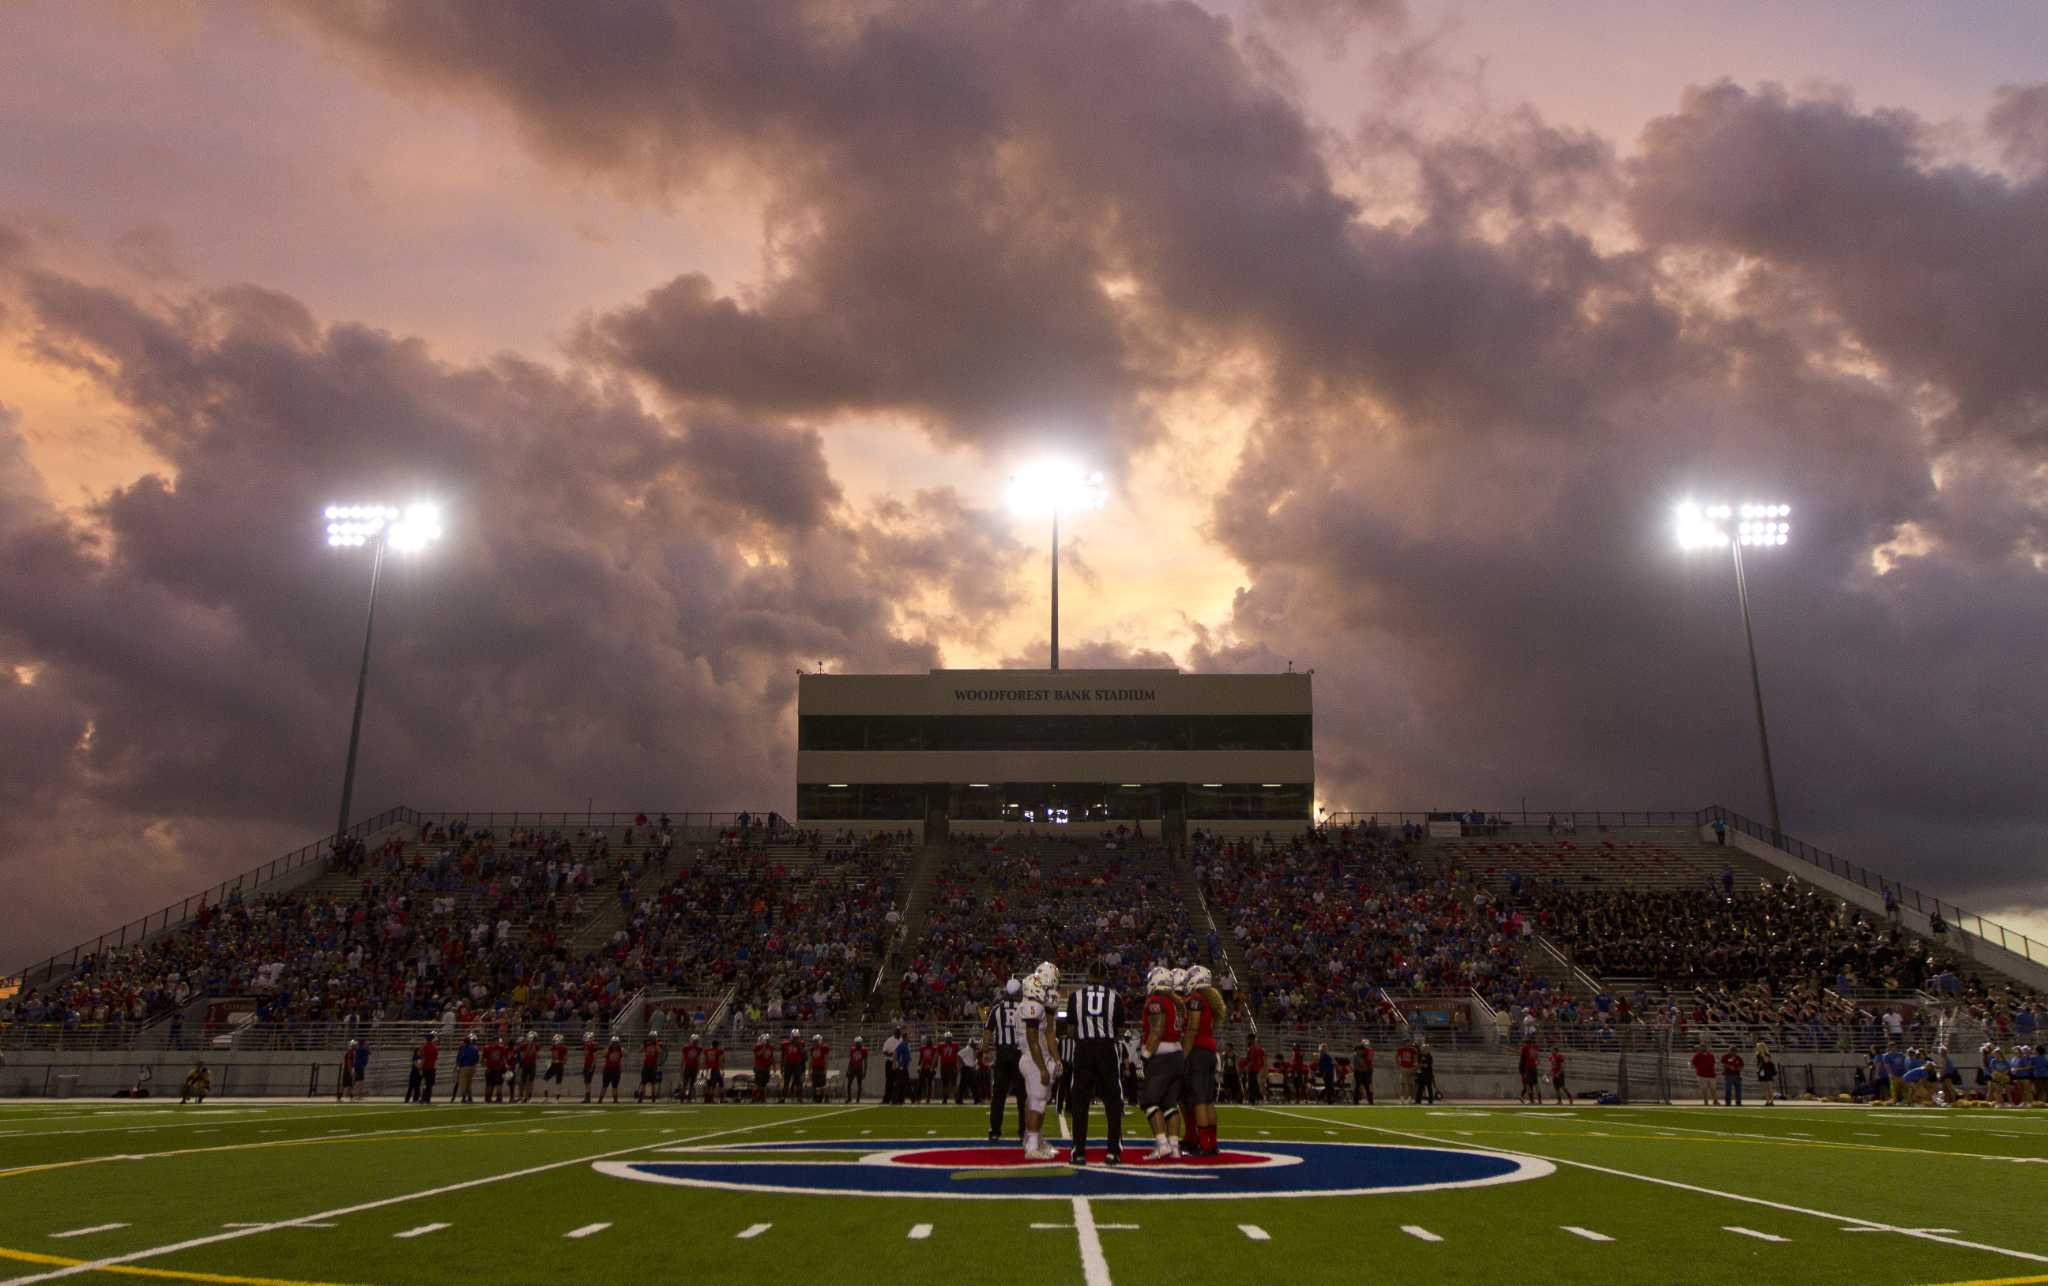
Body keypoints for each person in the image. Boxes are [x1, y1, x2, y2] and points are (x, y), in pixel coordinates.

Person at [1065, 958, 1125, 1166]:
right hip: (1106, 1049)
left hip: (1084, 1049)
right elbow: (1118, 1028)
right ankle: (1112, 1152)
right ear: (1105, 977)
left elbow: (1071, 1029)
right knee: (1113, 1102)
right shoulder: (1114, 997)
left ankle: (1079, 1152)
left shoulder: (1075, 997)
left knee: (1080, 1102)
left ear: (1089, 977)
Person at [1139, 964, 1187, 1160]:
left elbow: (1157, 1031)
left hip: (1162, 1056)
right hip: (1176, 1053)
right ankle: (1174, 1147)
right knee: (1169, 1104)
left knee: (1149, 1102)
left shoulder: (1157, 1001)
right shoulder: (1176, 1002)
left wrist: (1145, 1054)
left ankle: (1162, 1144)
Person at [1018, 961, 1062, 1161]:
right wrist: (1043, 1068)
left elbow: (1050, 1032)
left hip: (1041, 1056)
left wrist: (1056, 1058)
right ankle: (1032, 1147)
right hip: (1033, 1057)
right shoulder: (1032, 1003)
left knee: (1037, 1099)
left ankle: (1032, 1140)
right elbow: (1032, 1040)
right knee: (1038, 1100)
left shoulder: (1045, 1001)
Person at [1181, 965, 1227, 1153]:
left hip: (1198, 1051)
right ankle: (1211, 1142)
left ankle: (1205, 1144)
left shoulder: (1196, 999)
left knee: (1199, 1100)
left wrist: (1183, 1055)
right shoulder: (1209, 999)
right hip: (1209, 1051)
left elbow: (1192, 1029)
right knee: (1208, 1101)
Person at [986, 982, 1023, 1141]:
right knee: (1023, 1095)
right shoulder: (1024, 1008)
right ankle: (1023, 1130)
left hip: (1002, 1053)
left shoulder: (997, 1009)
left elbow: (987, 1032)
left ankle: (995, 1130)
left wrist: (986, 1051)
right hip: (1019, 1053)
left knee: (999, 1095)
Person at [636, 1033, 664, 1104]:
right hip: (646, 1064)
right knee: (643, 1082)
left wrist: (655, 1044)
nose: (652, 1039)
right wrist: (644, 1045)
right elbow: (640, 1051)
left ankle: (653, 1097)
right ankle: (640, 1097)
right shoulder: (646, 1043)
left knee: (653, 1083)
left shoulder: (657, 1044)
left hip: (653, 1065)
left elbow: (660, 1052)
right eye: (651, 1037)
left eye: (653, 1037)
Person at [453, 1032, 480, 1104]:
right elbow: (477, 1058)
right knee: (469, 1083)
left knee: (463, 1084)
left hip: (464, 1067)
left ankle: (464, 1097)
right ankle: (470, 1098)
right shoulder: (474, 1048)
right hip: (472, 1067)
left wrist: (458, 1066)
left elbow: (460, 1058)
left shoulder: (463, 1048)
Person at [881, 1026, 905, 1106]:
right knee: (889, 1081)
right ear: (894, 1032)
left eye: (899, 1031)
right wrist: (891, 1054)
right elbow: (884, 1051)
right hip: (890, 1062)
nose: (898, 1033)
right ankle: (886, 1099)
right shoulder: (889, 1040)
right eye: (897, 1031)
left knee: (899, 1082)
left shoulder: (902, 1040)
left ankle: (898, 1099)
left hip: (899, 1063)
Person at [780, 1029, 806, 1104]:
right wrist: (782, 1067)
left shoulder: (801, 1043)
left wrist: (799, 1046)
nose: (795, 1039)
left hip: (797, 1065)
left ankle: (799, 1098)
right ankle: (783, 1098)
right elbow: (783, 1056)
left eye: (797, 1037)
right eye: (794, 1037)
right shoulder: (785, 1044)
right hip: (788, 1064)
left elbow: (803, 1056)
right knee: (786, 1082)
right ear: (791, 1036)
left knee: (799, 1083)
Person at [482, 1034, 508, 1104]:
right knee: (495, 1084)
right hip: (495, 1068)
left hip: (493, 1068)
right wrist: (505, 1065)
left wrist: (485, 1066)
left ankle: (488, 1098)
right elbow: (504, 1058)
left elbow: (483, 1059)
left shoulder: (487, 1048)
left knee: (491, 1084)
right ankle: (496, 1098)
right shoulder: (501, 1048)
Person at [599, 1035, 624, 1104]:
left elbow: (626, 1053)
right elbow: (603, 1054)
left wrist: (621, 1049)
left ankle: (615, 1100)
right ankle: (600, 1100)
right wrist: (608, 1048)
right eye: (614, 1043)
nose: (615, 1045)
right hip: (608, 1069)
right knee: (604, 1086)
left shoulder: (620, 1050)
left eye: (616, 1043)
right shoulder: (609, 1049)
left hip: (616, 1069)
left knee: (615, 1086)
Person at [516, 1031, 540, 1104]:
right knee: (522, 1082)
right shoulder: (524, 1045)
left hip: (532, 1064)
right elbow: (524, 1056)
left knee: (530, 1081)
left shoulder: (536, 1045)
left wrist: (532, 1047)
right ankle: (521, 1097)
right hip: (525, 1064)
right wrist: (529, 1047)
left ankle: (528, 1097)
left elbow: (536, 1055)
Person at [940, 1031, 962, 1105]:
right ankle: (955, 1099)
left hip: (948, 1066)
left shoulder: (942, 1045)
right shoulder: (955, 1045)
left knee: (948, 1084)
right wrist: (959, 1065)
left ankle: (946, 1099)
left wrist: (958, 1065)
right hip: (950, 1066)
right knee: (951, 1084)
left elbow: (959, 1055)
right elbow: (959, 1055)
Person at [1690, 1041, 1717, 1105]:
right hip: (1702, 1075)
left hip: (1711, 1075)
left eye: (1704, 1047)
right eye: (1702, 1047)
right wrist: (1699, 1068)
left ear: (1706, 1048)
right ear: (1700, 1048)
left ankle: (1715, 1100)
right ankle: (1706, 1101)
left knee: (1713, 1089)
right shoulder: (1697, 1056)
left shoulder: (1711, 1055)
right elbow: (1692, 1063)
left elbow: (1713, 1063)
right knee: (1704, 1089)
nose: (1703, 1048)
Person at [678, 1033, 701, 1103]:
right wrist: (681, 1067)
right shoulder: (686, 1048)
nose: (695, 1042)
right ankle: (683, 1097)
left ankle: (688, 1098)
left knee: (691, 1084)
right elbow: (683, 1058)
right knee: (685, 1083)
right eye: (695, 1041)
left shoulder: (698, 1048)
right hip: (688, 1067)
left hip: (693, 1067)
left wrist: (698, 1069)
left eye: (696, 1041)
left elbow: (698, 1059)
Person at [544, 1033, 568, 1102]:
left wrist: (558, 1061)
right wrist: (550, 1062)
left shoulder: (563, 1048)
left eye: (555, 1040)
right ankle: (546, 1097)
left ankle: (556, 1098)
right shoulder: (554, 1047)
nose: (554, 1042)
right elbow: (553, 1057)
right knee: (545, 1078)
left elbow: (565, 1060)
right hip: (554, 1065)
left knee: (558, 1082)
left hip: (559, 1065)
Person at [1243, 1037, 1266, 1105]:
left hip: (1253, 1069)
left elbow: (1251, 1060)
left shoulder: (1253, 1049)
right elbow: (1260, 1061)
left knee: (1252, 1084)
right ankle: (1257, 1098)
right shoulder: (1258, 1049)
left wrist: (1247, 1066)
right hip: (1256, 1069)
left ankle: (1254, 1099)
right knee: (1254, 1084)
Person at [417, 1033, 438, 1104]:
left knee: (425, 1084)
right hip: (432, 1067)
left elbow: (422, 1056)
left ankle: (423, 1098)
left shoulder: (424, 1047)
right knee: (430, 1085)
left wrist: (420, 1067)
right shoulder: (435, 1047)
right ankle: (428, 1099)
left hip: (425, 1067)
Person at [1518, 1035, 1540, 1105]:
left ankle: (1531, 1100)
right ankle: (1537, 1100)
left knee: (1528, 1085)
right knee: (1531, 1084)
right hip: (1530, 1068)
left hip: (1527, 1068)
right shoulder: (1533, 1048)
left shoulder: (1525, 1048)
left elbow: (1523, 1056)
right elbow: (1537, 1059)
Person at [753, 1034, 775, 1104]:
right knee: (757, 1084)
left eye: (769, 1040)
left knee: (763, 1085)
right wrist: (764, 1048)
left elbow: (771, 1057)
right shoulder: (758, 1046)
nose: (769, 1042)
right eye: (767, 1040)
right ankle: (754, 1098)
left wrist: (774, 1066)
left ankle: (762, 1098)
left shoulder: (771, 1047)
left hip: (766, 1068)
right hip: (759, 1067)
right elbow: (758, 1054)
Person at [1753, 1038, 1775, 1106]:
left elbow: (1766, 1061)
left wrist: (1763, 1054)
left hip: (1768, 1071)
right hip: (1762, 1071)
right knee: (1764, 1088)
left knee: (1770, 1087)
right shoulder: (1758, 1055)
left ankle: (1771, 1101)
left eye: (1760, 1047)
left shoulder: (1767, 1054)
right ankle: (1767, 1101)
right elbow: (1758, 1064)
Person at [1397, 1037, 1419, 1103]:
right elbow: (1396, 1057)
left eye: (1408, 1042)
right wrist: (1399, 1065)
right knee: (1402, 1084)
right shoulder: (1401, 1049)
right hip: (1403, 1068)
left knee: (1410, 1084)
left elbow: (1415, 1059)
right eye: (1406, 1042)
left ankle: (1410, 1098)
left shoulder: (1413, 1050)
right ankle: (1402, 1098)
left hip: (1410, 1068)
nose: (1408, 1044)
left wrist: (1414, 1068)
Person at [809, 1034, 830, 1103]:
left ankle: (824, 1098)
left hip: (821, 1068)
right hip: (814, 1068)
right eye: (814, 1041)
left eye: (816, 1041)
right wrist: (810, 1069)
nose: (815, 1042)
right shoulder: (812, 1049)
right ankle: (816, 1099)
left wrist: (825, 1069)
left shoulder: (824, 1048)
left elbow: (826, 1059)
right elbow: (811, 1060)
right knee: (815, 1085)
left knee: (822, 1084)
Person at [1352, 1039, 1375, 1105]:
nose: (1362, 1051)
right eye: (1360, 1050)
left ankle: (1370, 1101)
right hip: (1358, 1072)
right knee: (1358, 1087)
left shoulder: (1362, 1055)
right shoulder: (1356, 1055)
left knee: (1366, 1087)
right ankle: (1356, 1101)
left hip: (1363, 1072)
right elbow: (1361, 1064)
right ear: (1357, 1050)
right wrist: (1364, 1067)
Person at [846, 1036, 868, 1102]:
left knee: (859, 1084)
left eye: (859, 1043)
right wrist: (848, 1069)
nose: (857, 1044)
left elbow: (865, 1062)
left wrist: (865, 1071)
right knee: (849, 1084)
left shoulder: (864, 1050)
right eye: (856, 1043)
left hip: (859, 1068)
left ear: (861, 1043)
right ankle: (849, 1098)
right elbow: (851, 1060)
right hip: (852, 1068)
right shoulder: (852, 1049)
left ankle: (858, 1099)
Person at [704, 1038, 726, 1103]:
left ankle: (707, 1099)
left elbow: (705, 1060)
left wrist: (704, 1069)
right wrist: (722, 1069)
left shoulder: (707, 1050)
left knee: (709, 1084)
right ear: (717, 1045)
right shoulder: (719, 1051)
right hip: (715, 1069)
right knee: (715, 1084)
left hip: (708, 1069)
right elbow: (720, 1061)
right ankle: (713, 1099)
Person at [580, 1031, 599, 1103]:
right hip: (587, 1064)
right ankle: (587, 1098)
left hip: (590, 1065)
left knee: (588, 1082)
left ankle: (587, 1098)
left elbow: (595, 1057)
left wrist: (592, 1066)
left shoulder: (592, 1046)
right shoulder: (587, 1046)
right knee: (587, 1083)